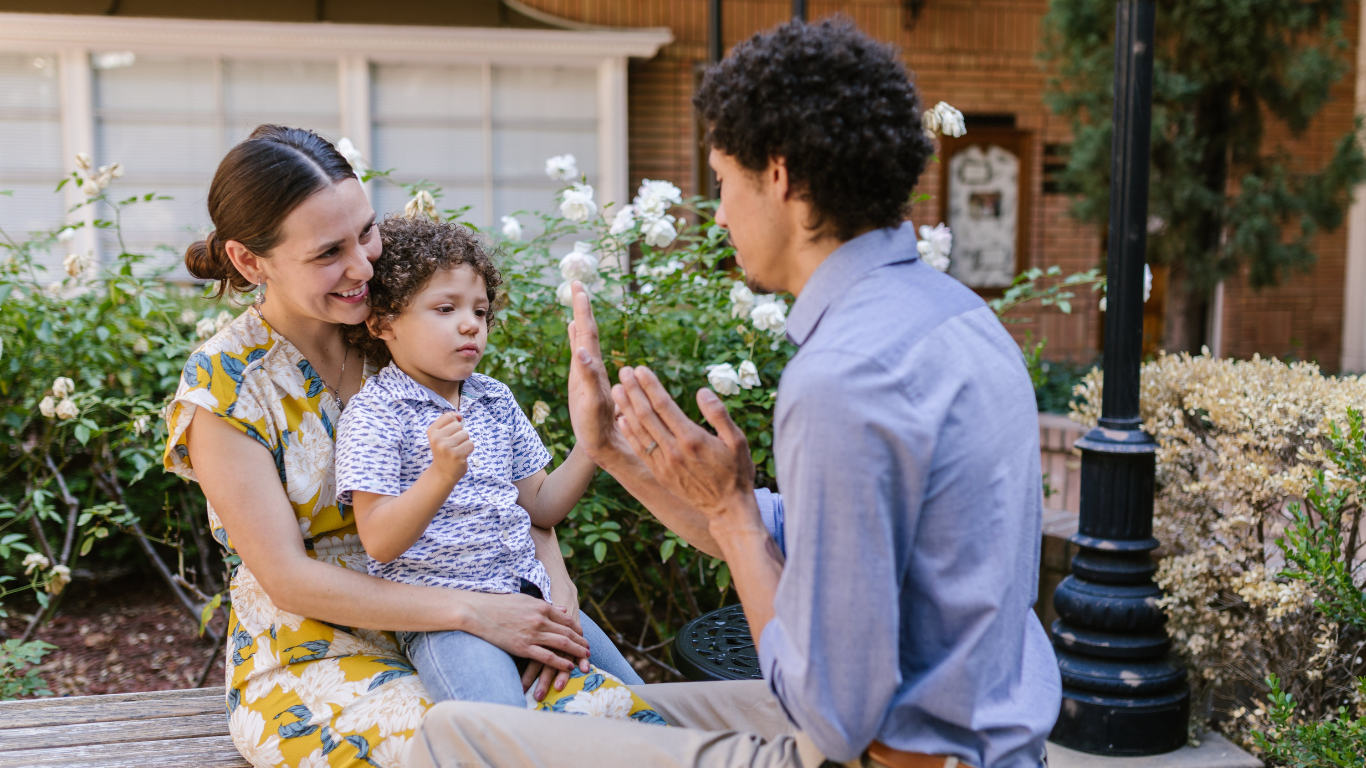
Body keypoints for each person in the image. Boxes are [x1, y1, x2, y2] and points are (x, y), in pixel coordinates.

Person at [406, 18, 1061, 768]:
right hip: (972, 734)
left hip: (884, 752)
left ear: (778, 177)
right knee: (624, 709)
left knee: (455, 732)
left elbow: (836, 717)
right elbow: (797, 536)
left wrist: (732, 511)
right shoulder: (960, 316)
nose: (717, 213)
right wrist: (612, 450)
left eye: (721, 181)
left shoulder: (845, 374)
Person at [165, 125, 591, 768]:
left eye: (366, 232)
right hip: (317, 651)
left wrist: (555, 597)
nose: (364, 267)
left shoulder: (396, 328)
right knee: (480, 747)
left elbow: (504, 489)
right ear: (251, 262)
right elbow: (289, 579)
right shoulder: (225, 387)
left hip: (479, 603)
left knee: (613, 721)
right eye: (329, 252)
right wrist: (478, 614)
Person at [333, 214, 653, 714]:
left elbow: (542, 508)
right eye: (445, 308)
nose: (470, 325)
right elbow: (379, 538)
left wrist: (593, 444)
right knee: (499, 727)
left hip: (534, 601)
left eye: (480, 312)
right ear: (383, 322)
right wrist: (440, 476)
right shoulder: (376, 412)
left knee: (648, 705)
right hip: (447, 623)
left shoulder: (493, 399)